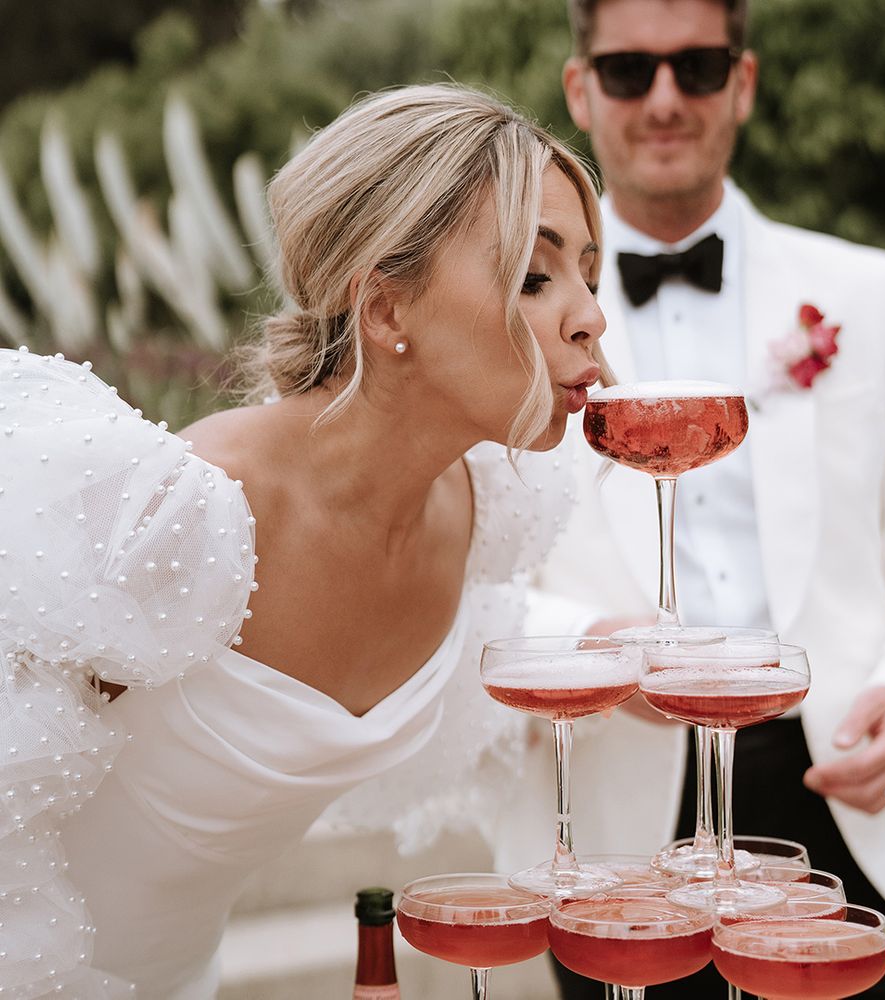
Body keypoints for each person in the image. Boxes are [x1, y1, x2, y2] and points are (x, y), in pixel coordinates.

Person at [0, 83, 609, 998]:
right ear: (386, 309)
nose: (589, 316)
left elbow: (487, 631)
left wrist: (626, 654)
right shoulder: (171, 522)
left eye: (589, 276)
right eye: (534, 275)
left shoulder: (474, 509)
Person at [490, 2, 885, 998]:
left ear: (745, 82)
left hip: (850, 811)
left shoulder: (872, 291)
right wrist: (591, 646)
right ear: (579, 89)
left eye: (699, 66)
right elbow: (467, 570)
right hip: (618, 843)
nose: (667, 98)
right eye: (631, 71)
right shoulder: (501, 321)